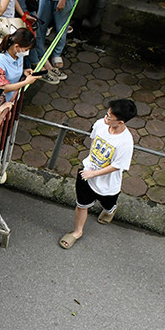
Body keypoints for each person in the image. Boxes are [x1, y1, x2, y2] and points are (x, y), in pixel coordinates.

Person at [59, 99, 137, 249]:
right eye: (107, 114)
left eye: (110, 117)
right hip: (86, 173)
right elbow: (93, 141)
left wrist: (94, 174)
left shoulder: (126, 142)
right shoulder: (101, 124)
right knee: (81, 205)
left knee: (108, 205)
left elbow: (117, 166)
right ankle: (77, 232)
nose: (106, 118)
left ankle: (111, 210)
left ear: (120, 122)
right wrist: (89, 170)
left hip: (107, 184)